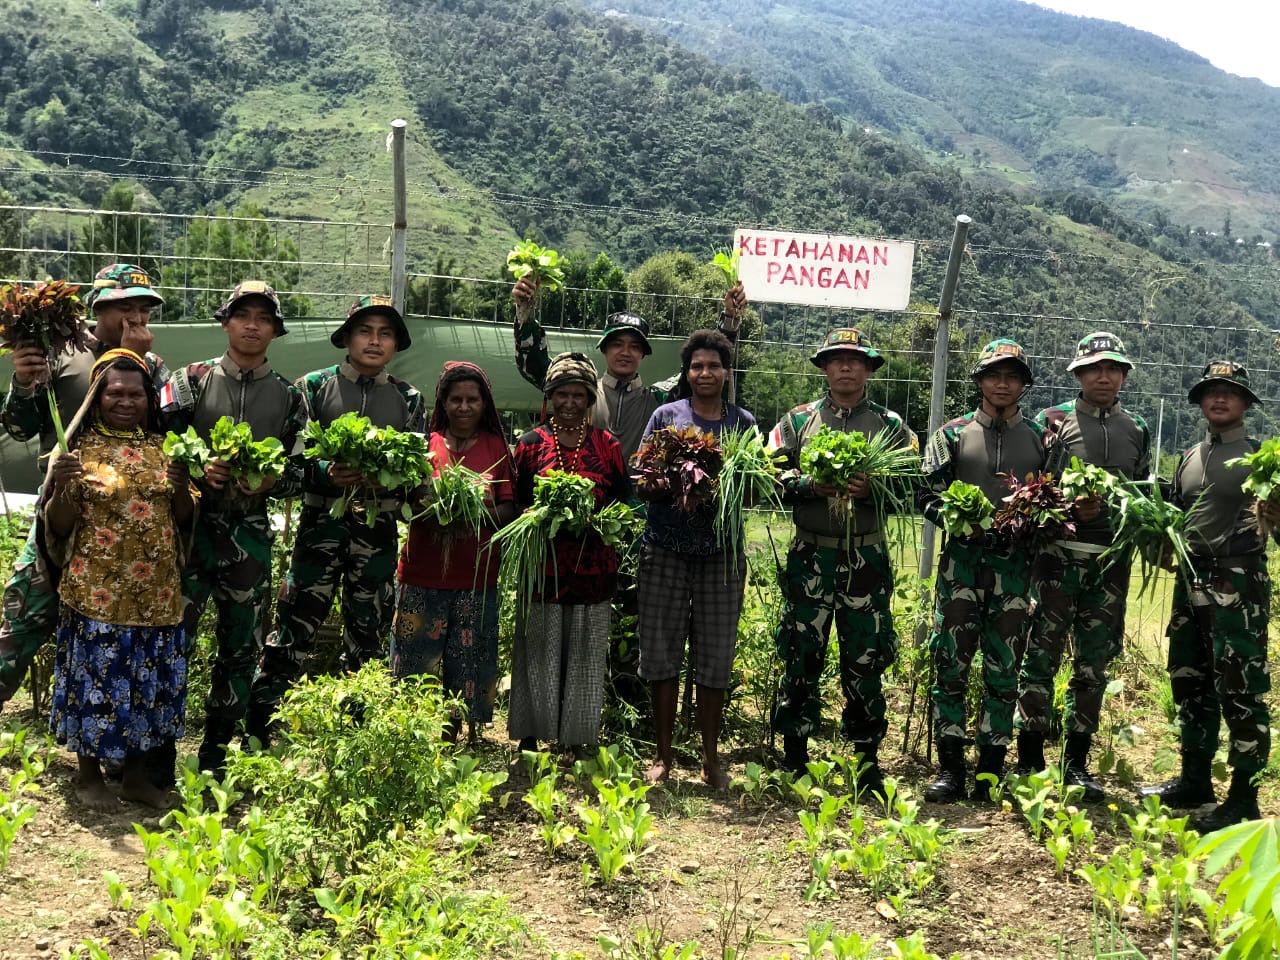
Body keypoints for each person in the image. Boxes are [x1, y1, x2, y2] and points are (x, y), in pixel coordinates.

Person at [247, 296, 425, 742]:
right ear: (346, 337)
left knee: (369, 634)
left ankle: (356, 741)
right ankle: (259, 733)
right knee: (293, 627)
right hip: (320, 527)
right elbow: (284, 468)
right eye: (365, 331)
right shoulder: (311, 388)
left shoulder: (408, 399)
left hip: (378, 531)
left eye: (385, 333)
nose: (374, 341)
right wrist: (325, 473)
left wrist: (392, 481)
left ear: (396, 344)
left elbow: (416, 474)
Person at [0, 263, 170, 708]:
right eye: (124, 308)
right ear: (98, 309)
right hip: (63, 504)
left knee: (115, 629)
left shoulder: (153, 366)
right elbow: (18, 429)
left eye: (144, 309)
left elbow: (163, 432)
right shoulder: (61, 353)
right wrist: (21, 381)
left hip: (124, 520)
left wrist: (136, 359)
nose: (136, 319)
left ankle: (110, 739)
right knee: (23, 614)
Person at [40, 349, 196, 810]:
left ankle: (135, 778)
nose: (125, 401)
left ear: (149, 399)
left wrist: (182, 483)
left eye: (135, 393)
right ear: (97, 396)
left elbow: (186, 518)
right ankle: (88, 777)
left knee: (145, 687)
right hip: (97, 593)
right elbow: (59, 527)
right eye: (114, 393)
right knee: (96, 681)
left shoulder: (165, 449)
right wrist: (64, 483)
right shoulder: (75, 451)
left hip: (156, 593)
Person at [162, 281, 307, 775]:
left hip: (248, 536)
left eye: (263, 318)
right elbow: (157, 446)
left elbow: (302, 470)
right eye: (243, 315)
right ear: (225, 322)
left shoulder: (290, 397)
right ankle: (154, 754)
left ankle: (216, 759)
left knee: (240, 648)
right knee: (169, 639)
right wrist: (199, 469)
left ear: (275, 330)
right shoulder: (188, 381)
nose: (252, 325)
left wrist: (272, 479)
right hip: (187, 532)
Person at [769, 328, 915, 790]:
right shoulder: (797, 422)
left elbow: (915, 482)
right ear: (824, 368)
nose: (846, 367)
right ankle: (794, 755)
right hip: (811, 554)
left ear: (869, 368)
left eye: (855, 359)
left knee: (866, 656)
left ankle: (866, 761)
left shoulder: (891, 426)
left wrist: (877, 488)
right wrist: (811, 485)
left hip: (865, 558)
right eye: (836, 359)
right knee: (800, 651)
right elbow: (767, 475)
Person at [1139, 361, 1280, 829]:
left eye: (1230, 392)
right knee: (1189, 683)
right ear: (1200, 401)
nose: (1219, 399)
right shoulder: (1189, 456)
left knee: (1241, 690)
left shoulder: (1262, 459)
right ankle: (1194, 780)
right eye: (1211, 391)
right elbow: (1180, 516)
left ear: (1245, 403)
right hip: (1190, 582)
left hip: (1238, 585)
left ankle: (1243, 797)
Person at [1014, 333, 1150, 801]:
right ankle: (1030, 755)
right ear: (1077, 375)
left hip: (1109, 564)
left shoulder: (1138, 428)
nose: (1104, 376)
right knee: (1039, 657)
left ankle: (1077, 762)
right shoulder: (1049, 422)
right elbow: (1028, 491)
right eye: (1093, 368)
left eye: (1113, 368)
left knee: (1093, 662)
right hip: (1055, 561)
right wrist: (1069, 508)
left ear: (1124, 376)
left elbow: (1139, 495)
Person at [918, 339, 1047, 802]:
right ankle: (951, 768)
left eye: (1012, 376)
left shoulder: (1040, 439)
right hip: (961, 570)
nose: (1002, 383)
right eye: (994, 374)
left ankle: (990, 770)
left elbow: (1052, 499)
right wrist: (963, 521)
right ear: (978, 380)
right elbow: (925, 494)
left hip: (1014, 571)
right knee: (950, 663)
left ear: (1023, 385)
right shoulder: (952, 435)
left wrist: (1027, 522)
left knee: (1004, 669)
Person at [635, 330, 756, 789]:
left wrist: (718, 487)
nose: (705, 373)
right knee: (661, 652)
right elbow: (641, 476)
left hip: (720, 556)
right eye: (697, 367)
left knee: (715, 655)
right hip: (665, 549)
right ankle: (663, 756)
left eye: (714, 366)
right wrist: (666, 484)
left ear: (727, 372)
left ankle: (710, 757)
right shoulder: (667, 416)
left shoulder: (743, 423)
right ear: (687, 373)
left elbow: (753, 485)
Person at [508, 352, 630, 759]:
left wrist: (595, 520)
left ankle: (578, 738)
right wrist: (537, 516)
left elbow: (621, 501)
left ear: (591, 398)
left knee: (585, 651)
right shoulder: (528, 446)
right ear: (550, 397)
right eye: (562, 394)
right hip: (543, 568)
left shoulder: (606, 445)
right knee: (539, 646)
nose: (571, 403)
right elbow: (515, 501)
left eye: (580, 395)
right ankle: (532, 734)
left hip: (592, 568)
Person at [392, 361, 515, 744]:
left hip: (475, 575)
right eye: (456, 399)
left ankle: (461, 731)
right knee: (414, 657)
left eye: (472, 400)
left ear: (484, 403)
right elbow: (403, 502)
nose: (464, 407)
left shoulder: (497, 447)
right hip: (421, 571)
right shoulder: (423, 446)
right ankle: (410, 735)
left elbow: (510, 507)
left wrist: (473, 511)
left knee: (471, 657)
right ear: (442, 403)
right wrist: (432, 510)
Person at [512, 278, 747, 459]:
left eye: (634, 346)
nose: (625, 352)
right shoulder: (581, 391)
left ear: (643, 354)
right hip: (585, 503)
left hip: (643, 509)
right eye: (617, 344)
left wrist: (729, 320)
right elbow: (535, 364)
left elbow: (703, 368)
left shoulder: (660, 399)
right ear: (603, 349)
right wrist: (525, 310)